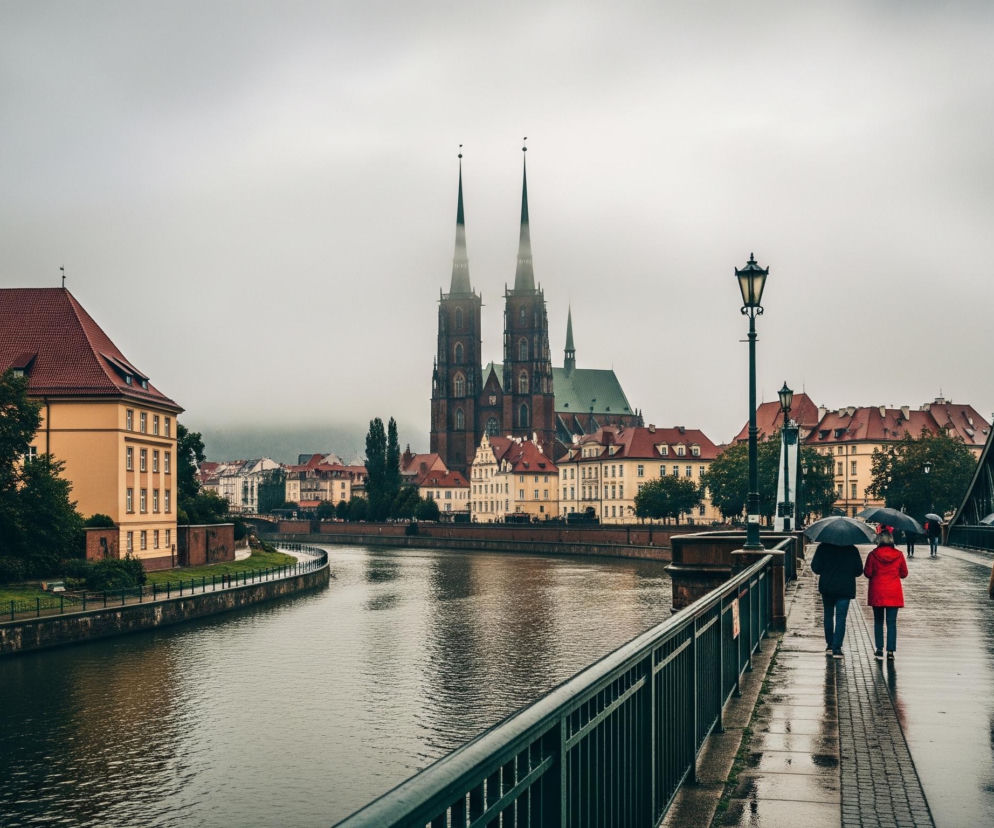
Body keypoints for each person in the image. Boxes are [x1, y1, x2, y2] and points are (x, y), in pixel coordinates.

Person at [810, 541, 864, 659]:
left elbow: (816, 568)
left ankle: (829, 644)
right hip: (845, 588)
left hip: (828, 587)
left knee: (828, 615)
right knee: (841, 618)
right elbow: (859, 571)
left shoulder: (822, 547)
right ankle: (837, 648)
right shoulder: (852, 549)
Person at [864, 527, 908, 661]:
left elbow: (867, 573)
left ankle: (878, 649)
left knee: (878, 622)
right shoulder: (899, 555)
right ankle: (890, 651)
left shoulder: (873, 555)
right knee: (891, 623)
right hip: (893, 593)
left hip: (877, 592)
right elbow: (904, 574)